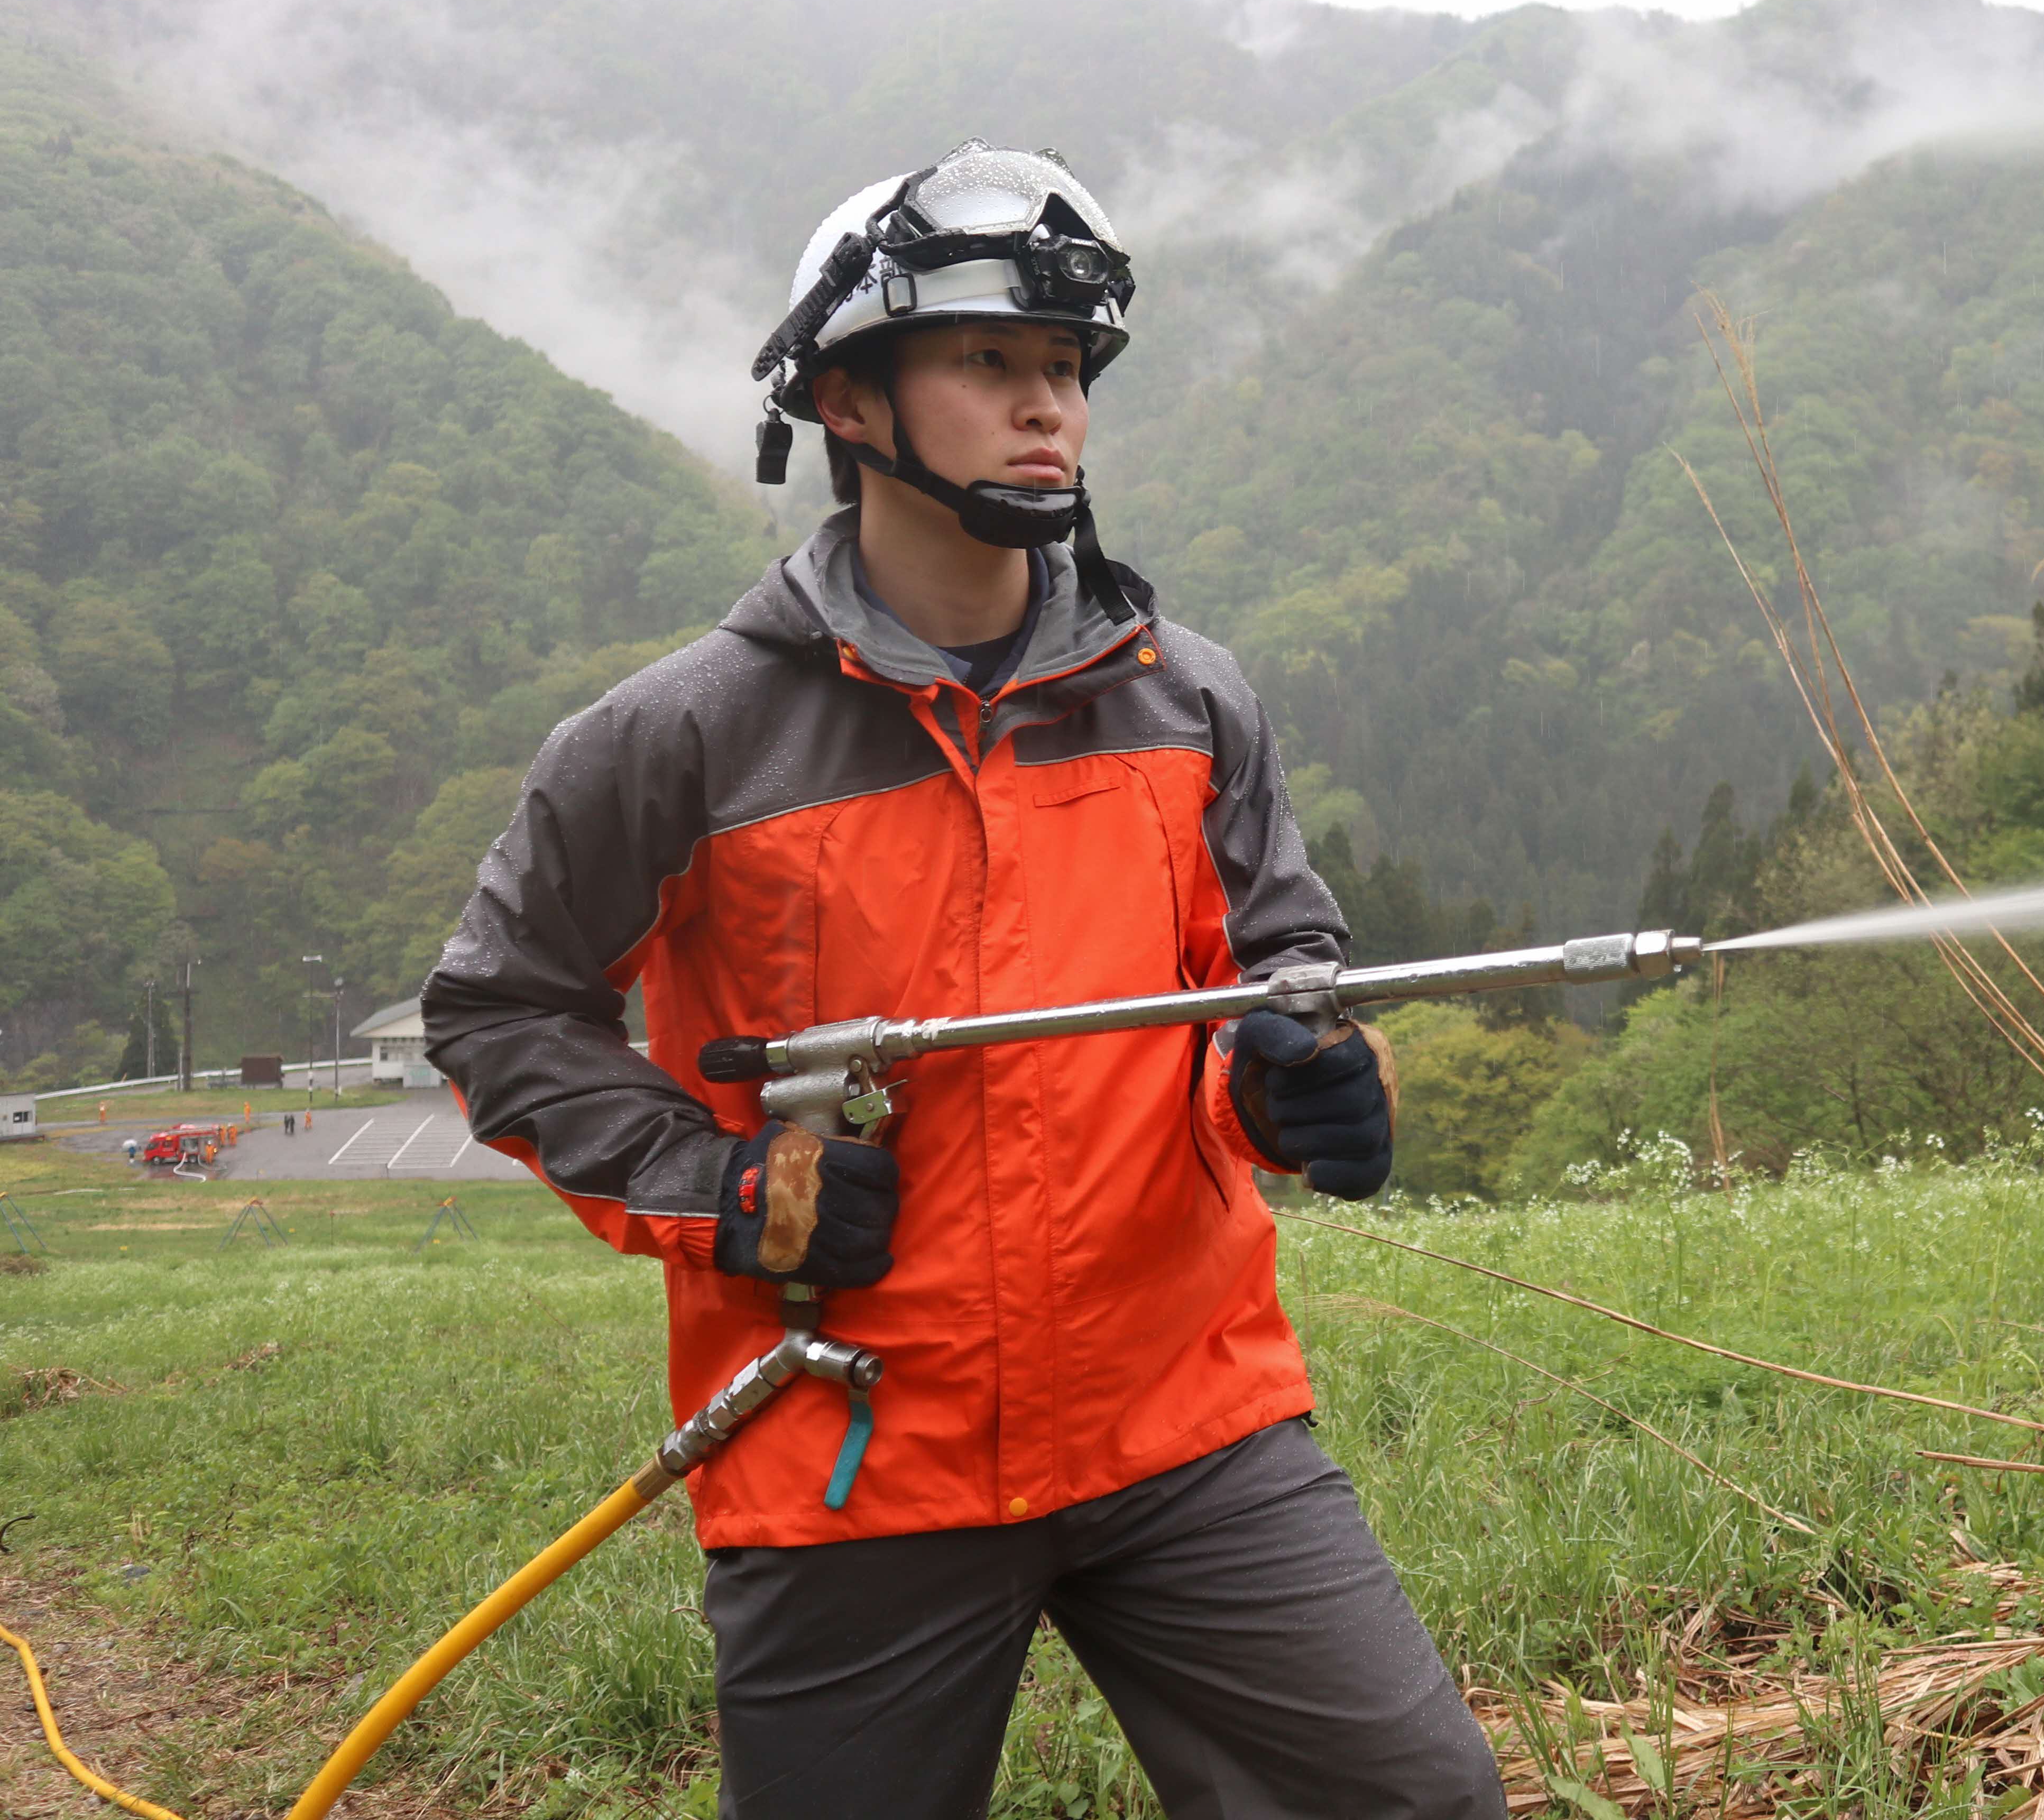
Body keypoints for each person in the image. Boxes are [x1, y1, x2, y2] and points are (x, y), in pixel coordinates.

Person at [423, 142, 1502, 1820]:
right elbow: (498, 1014)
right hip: (851, 1455)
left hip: (1187, 1422)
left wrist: (1297, 1079)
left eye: (1065, 368)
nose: (1046, 407)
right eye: (990, 361)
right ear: (849, 403)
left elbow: (1273, 964)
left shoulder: (1188, 700)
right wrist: (717, 1186)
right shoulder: (680, 738)